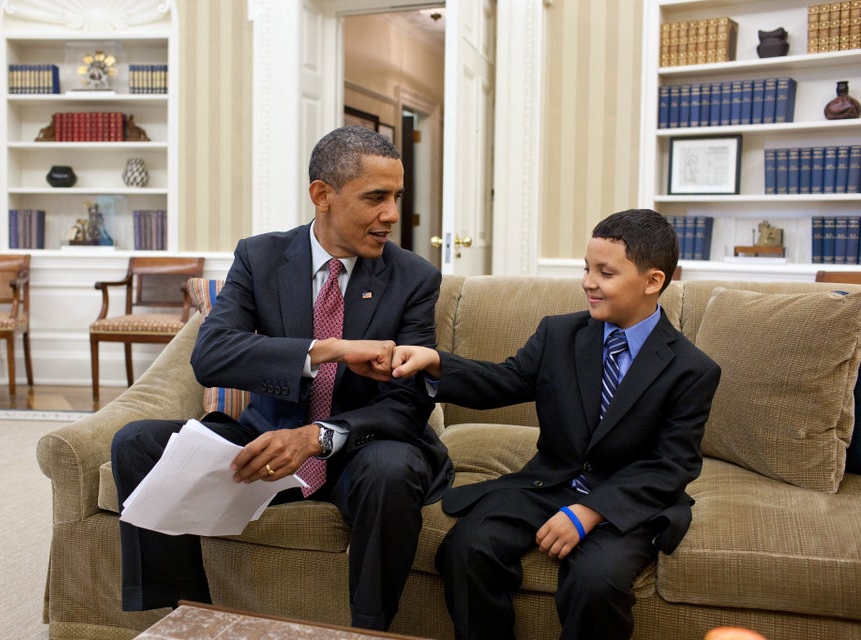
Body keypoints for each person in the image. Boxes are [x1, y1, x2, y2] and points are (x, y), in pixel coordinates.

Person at [110, 125, 453, 631]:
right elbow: (213, 354)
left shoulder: (414, 277)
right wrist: (326, 350)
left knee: (392, 469)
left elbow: (407, 402)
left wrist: (316, 437)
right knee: (136, 442)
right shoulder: (260, 256)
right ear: (322, 195)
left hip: (362, 447)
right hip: (265, 439)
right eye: (376, 197)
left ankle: (368, 628)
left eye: (397, 197)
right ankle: (188, 617)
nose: (392, 216)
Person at [382, 209, 721, 640]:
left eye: (606, 272)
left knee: (596, 582)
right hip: (549, 483)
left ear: (653, 281)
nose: (588, 282)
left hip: (625, 504)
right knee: (466, 549)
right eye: (586, 268)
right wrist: (436, 364)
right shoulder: (560, 334)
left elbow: (672, 466)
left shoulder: (692, 369)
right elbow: (506, 380)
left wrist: (589, 512)